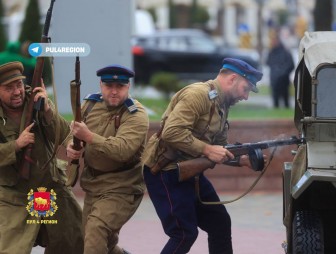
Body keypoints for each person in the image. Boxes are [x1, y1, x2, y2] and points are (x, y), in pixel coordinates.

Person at [142, 58, 266, 254]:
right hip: (165, 170)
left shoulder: (222, 104)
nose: (246, 96)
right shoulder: (198, 95)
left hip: (190, 172)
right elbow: (171, 132)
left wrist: (241, 160)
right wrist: (207, 150)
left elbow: (219, 148)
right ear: (233, 79)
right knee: (183, 233)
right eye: (246, 88)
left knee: (220, 223)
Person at [0, 61, 83, 253]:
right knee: (11, 248)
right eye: (9, 88)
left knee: (72, 239)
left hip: (47, 188)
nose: (17, 91)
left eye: (19, 85)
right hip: (14, 194)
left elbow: (64, 134)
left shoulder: (37, 101)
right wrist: (16, 145)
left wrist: (47, 111)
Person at [66, 64, 149, 254]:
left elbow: (123, 150)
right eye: (108, 86)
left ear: (128, 87)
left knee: (96, 230)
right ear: (100, 85)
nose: (113, 92)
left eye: (119, 87)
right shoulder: (90, 104)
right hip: (94, 183)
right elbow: (77, 134)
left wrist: (89, 137)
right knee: (95, 239)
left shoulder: (136, 114)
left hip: (123, 186)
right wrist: (74, 146)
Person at [266, 33, 295, 108]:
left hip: (283, 80)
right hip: (274, 80)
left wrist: (282, 72)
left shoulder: (285, 52)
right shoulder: (271, 52)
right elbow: (268, 63)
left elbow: (290, 65)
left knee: (286, 100)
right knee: (275, 101)